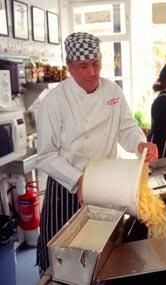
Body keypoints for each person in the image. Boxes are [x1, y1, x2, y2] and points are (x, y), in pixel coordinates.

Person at [35, 32, 158, 274]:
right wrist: (78, 179)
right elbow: (46, 155)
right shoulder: (54, 102)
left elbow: (127, 128)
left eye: (96, 64)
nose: (92, 72)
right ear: (69, 67)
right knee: (63, 263)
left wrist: (139, 144)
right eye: (83, 66)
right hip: (67, 189)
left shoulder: (112, 91)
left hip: (105, 185)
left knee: (102, 256)